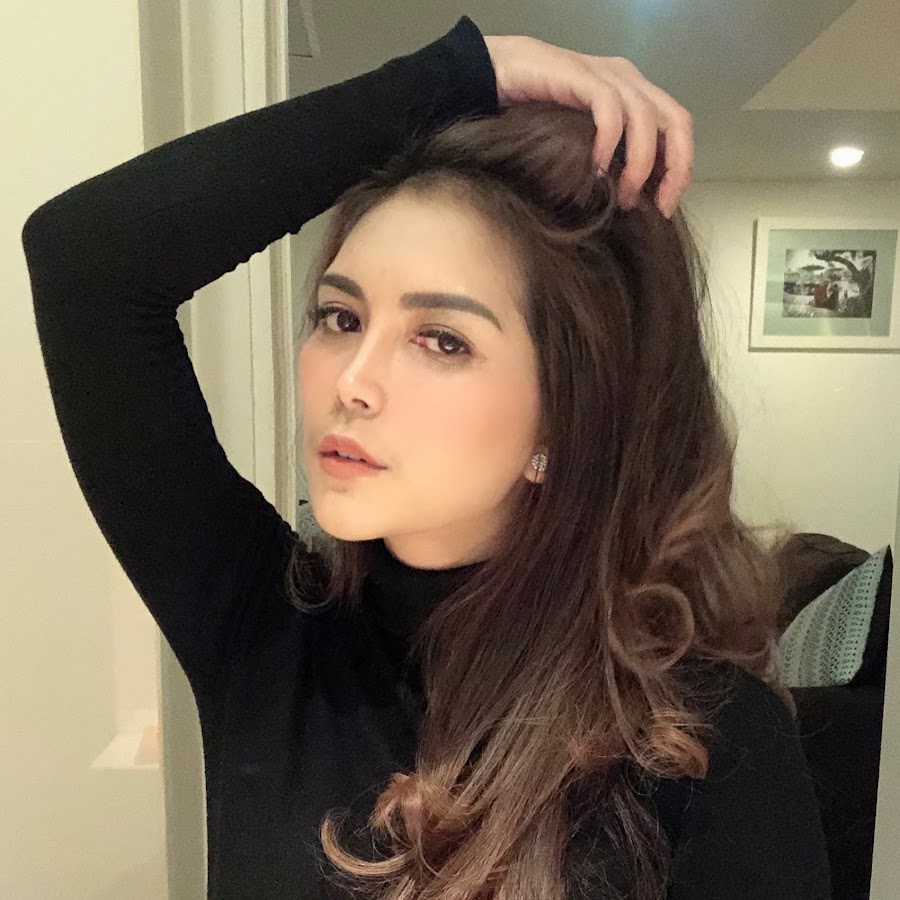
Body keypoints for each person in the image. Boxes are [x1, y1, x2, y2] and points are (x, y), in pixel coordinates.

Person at [21, 15, 830, 900]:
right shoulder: (269, 635)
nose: (353, 382)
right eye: (341, 317)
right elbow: (84, 262)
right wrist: (463, 71)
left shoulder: (708, 743)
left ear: (568, 415)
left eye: (442, 339)